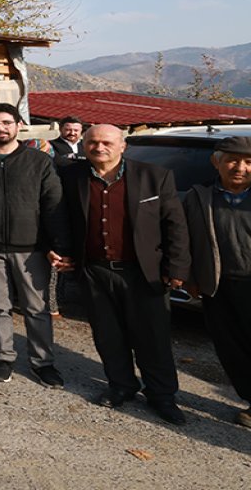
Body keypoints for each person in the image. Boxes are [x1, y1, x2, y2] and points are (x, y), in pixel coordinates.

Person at [61, 123, 190, 425]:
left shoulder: (154, 177)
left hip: (144, 273)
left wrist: (177, 267)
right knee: (107, 335)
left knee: (152, 337)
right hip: (94, 271)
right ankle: (121, 386)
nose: (99, 147)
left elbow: (176, 226)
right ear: (84, 145)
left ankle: (162, 396)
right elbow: (63, 219)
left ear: (122, 146)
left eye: (107, 142)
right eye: (92, 142)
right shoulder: (71, 177)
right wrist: (62, 251)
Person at [0, 103, 69, 387]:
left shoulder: (39, 161)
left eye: (7, 122)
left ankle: (43, 362)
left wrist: (56, 244)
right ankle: (3, 357)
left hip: (31, 248)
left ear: (19, 125)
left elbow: (53, 204)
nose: (1, 128)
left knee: (36, 308)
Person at [183, 136, 251, 429]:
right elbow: (184, 239)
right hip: (222, 289)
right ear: (217, 161)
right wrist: (190, 277)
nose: (240, 167)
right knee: (237, 353)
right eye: (232, 160)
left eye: (249, 162)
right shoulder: (198, 196)